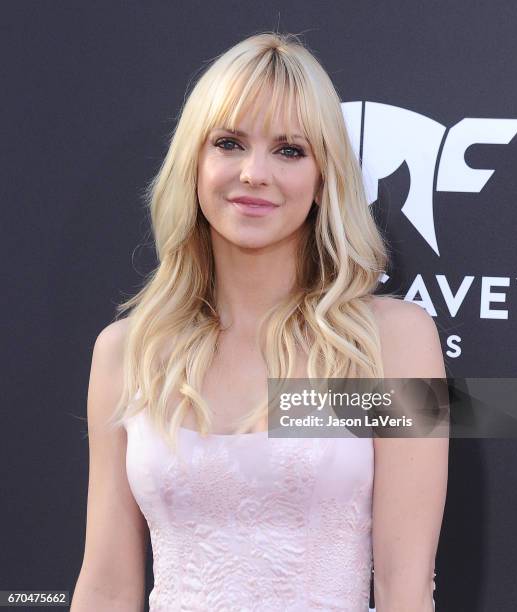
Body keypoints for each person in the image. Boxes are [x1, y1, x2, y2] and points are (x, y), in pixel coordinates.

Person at [71, 31, 448, 612]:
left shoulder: (394, 341)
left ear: (326, 178)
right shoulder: (128, 351)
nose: (253, 173)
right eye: (228, 143)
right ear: (193, 163)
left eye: (289, 150)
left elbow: (406, 586)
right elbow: (106, 585)